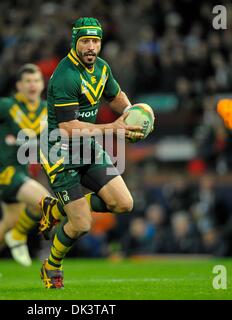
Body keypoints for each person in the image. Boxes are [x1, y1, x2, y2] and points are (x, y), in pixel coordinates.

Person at [38, 17, 154, 289]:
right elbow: (67, 127)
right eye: (85, 41)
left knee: (124, 204)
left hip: (87, 147)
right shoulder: (65, 75)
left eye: (96, 41)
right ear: (75, 42)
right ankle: (51, 265)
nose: (91, 47)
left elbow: (115, 95)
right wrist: (114, 128)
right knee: (81, 224)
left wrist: (130, 114)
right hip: (60, 153)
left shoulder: (101, 68)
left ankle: (55, 209)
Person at [0, 64, 51, 277]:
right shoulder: (7, 105)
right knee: (47, 204)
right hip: (4, 172)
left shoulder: (46, 110)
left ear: (42, 84)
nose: (32, 85)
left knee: (10, 221)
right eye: (28, 81)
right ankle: (19, 234)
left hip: (21, 172)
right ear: (19, 85)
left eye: (36, 81)